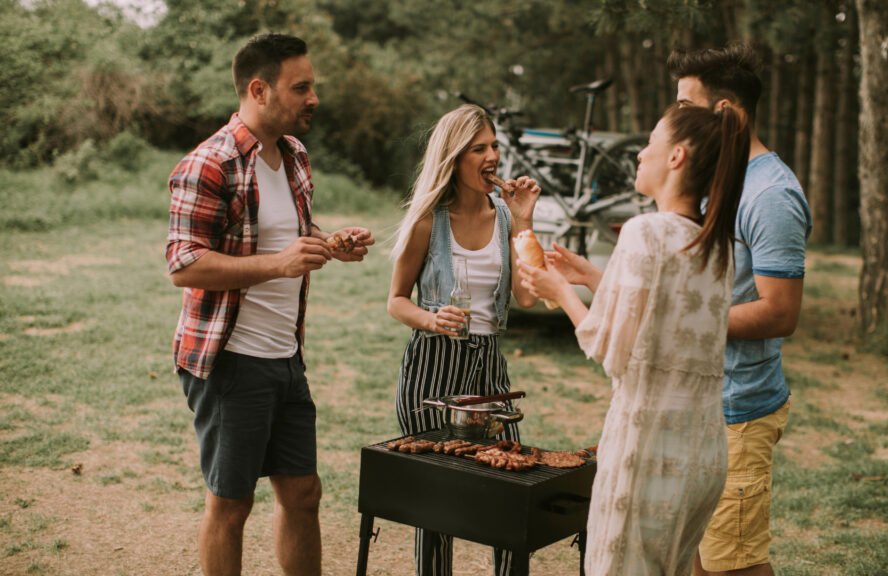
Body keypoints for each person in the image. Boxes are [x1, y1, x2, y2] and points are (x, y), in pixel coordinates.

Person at [165, 33, 374, 576]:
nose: (314, 98)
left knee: (303, 493)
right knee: (231, 505)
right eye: (300, 87)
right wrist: (278, 264)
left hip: (286, 356)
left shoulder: (295, 156)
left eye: (313, 86)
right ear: (259, 89)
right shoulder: (208, 164)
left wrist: (330, 244)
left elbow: (287, 235)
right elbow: (184, 265)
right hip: (231, 360)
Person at [519, 102, 752, 575]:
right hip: (703, 454)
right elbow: (662, 323)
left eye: (650, 142)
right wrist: (590, 276)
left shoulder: (646, 230)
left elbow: (610, 348)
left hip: (647, 453)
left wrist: (559, 290)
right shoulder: (719, 246)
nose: (639, 154)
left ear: (676, 157)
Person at [669, 45, 811, 576]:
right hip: (698, 404)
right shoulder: (714, 178)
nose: (677, 117)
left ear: (727, 112)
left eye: (687, 105)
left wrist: (685, 323)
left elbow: (779, 313)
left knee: (736, 566)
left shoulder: (771, 194)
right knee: (700, 560)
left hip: (739, 412)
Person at [386, 103, 541, 576]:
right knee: (436, 509)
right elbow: (396, 300)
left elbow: (529, 298)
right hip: (431, 371)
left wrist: (525, 221)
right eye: (479, 148)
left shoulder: (506, 217)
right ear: (454, 158)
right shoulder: (427, 222)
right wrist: (432, 320)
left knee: (507, 495)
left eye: (494, 145)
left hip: (489, 371)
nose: (492, 155)